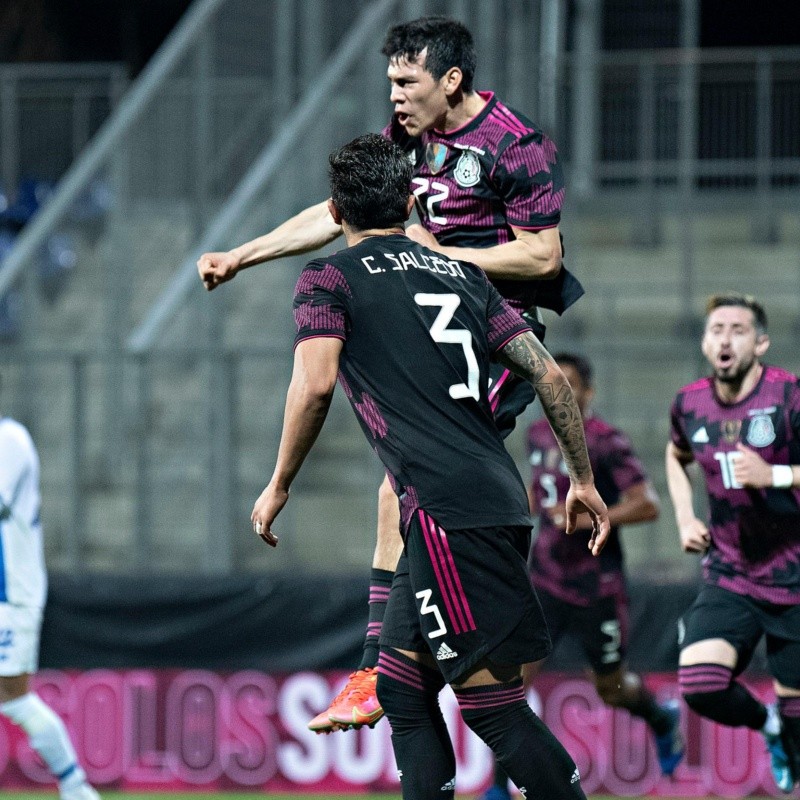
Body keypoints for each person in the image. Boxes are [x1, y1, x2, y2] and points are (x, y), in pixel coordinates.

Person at [198, 15, 583, 733]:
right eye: (392, 82)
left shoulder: (517, 144)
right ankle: (407, 660)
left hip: (496, 337)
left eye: (408, 82)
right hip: (426, 330)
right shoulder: (405, 140)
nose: (396, 96)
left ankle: (379, 664)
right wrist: (242, 254)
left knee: (399, 481)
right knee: (406, 487)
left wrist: (443, 256)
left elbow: (542, 258)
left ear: (452, 80)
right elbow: (336, 211)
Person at [250, 132, 610, 799]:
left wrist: (279, 484)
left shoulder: (327, 278)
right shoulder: (465, 274)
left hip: (448, 514)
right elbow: (552, 379)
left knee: (490, 709)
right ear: (412, 198)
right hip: (483, 498)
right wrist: (582, 480)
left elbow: (316, 382)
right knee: (402, 689)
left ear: (335, 212)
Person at [480, 352, 682, 800]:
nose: (558, 393)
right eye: (552, 384)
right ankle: (497, 788)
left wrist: (597, 517)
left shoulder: (607, 441)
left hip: (598, 587)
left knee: (610, 688)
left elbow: (648, 504)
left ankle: (661, 718)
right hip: (546, 580)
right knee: (512, 686)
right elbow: (540, 494)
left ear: (588, 392)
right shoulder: (536, 434)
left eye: (568, 385)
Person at [666, 292, 800, 793]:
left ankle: (788, 732)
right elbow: (675, 455)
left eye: (737, 329)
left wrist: (778, 474)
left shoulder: (789, 397)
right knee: (701, 685)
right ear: (704, 342)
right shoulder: (689, 402)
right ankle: (770, 727)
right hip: (731, 573)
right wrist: (683, 517)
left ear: (760, 342)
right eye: (716, 328)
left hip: (794, 575)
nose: (724, 337)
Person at [0, 394, 100, 800]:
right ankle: (76, 787)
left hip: (10, 596)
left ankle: (76, 787)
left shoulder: (9, 440)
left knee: (14, 698)